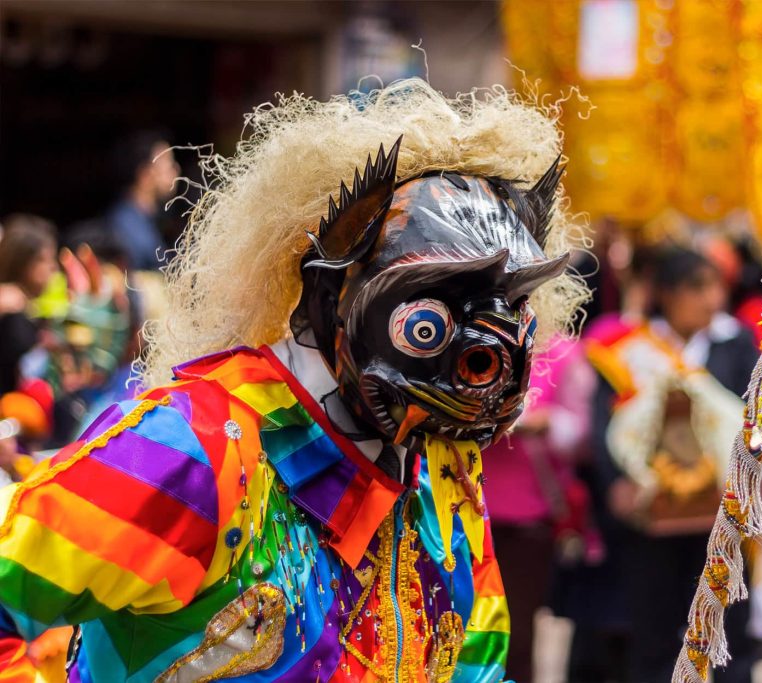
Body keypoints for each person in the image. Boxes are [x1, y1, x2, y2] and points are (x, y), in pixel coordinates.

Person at [0, 80, 589, 681]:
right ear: (329, 296)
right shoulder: (195, 452)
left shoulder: (445, 473)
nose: (483, 355)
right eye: (430, 314)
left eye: (507, 306)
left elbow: (475, 666)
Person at [587, 247, 758, 683]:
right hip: (652, 512)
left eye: (715, 285)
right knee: (655, 633)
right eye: (695, 287)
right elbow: (603, 423)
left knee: (727, 629)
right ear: (665, 293)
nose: (709, 298)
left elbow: (756, 419)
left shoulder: (735, 344)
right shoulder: (628, 351)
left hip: (721, 509)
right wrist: (616, 484)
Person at [485, 337, 594, 681]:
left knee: (514, 636)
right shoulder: (474, 335)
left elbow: (583, 433)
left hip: (529, 522)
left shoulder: (561, 351)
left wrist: (548, 423)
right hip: (461, 513)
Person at [0, 215, 58, 396]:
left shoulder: (27, 309)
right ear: (23, 262)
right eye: (44, 260)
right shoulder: (13, 311)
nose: (53, 268)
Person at [106, 129, 180, 271]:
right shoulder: (125, 228)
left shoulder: (150, 220)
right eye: (168, 165)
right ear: (145, 175)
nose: (176, 170)